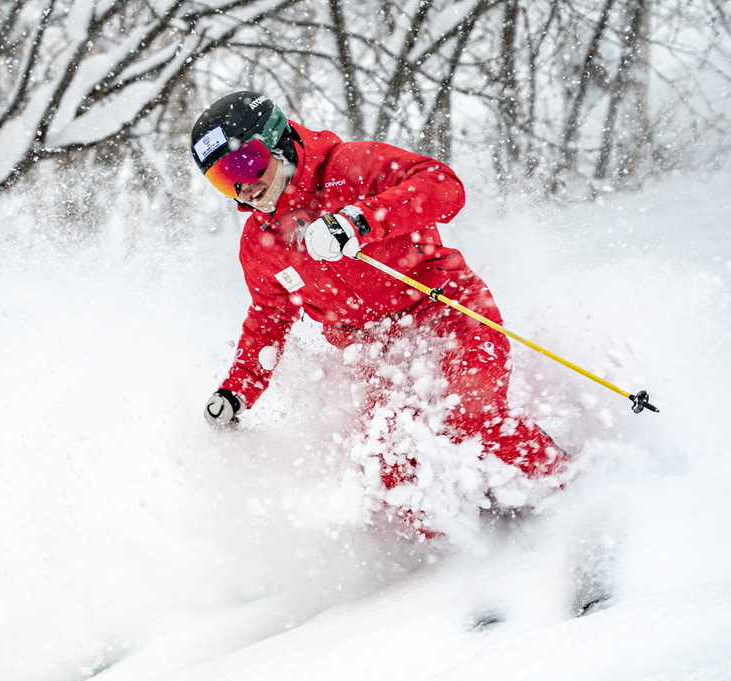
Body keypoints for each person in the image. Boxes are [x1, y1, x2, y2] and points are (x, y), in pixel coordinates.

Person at [191, 90, 565, 537]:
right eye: (222, 179)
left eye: (246, 164)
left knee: (474, 414)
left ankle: (569, 493)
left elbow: (444, 186)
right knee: (388, 459)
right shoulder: (261, 242)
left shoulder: (351, 167)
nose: (242, 187)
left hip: (445, 309)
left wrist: (361, 221)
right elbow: (269, 317)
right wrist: (238, 392)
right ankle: (457, 564)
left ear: (278, 141)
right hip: (369, 351)